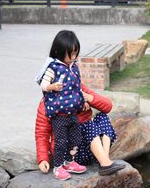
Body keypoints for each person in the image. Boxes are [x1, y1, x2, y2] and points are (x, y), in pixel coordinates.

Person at [34, 49, 126, 179]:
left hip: (87, 146)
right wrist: (42, 158)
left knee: (102, 117)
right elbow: (41, 133)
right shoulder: (47, 104)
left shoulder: (79, 89)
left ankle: (104, 161)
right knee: (87, 125)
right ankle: (104, 163)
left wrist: (89, 98)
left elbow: (108, 106)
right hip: (70, 152)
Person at [36, 30, 87, 180]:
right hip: (59, 114)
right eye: (70, 54)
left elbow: (78, 87)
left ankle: (69, 162)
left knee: (76, 138)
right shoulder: (53, 68)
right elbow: (43, 85)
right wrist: (52, 87)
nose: (73, 58)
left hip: (72, 113)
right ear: (59, 51)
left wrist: (82, 101)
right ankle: (58, 167)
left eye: (75, 54)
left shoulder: (73, 67)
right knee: (61, 141)